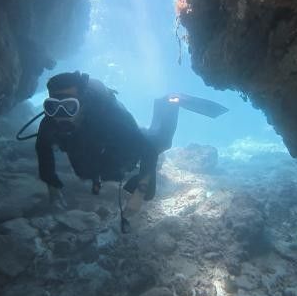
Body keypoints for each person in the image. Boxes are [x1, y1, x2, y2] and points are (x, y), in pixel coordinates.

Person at [34, 71, 227, 232]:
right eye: (52, 107)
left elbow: (149, 151)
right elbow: (42, 148)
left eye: (69, 107)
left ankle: (169, 102)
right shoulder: (50, 122)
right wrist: (52, 184)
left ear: (83, 104)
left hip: (125, 139)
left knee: (160, 142)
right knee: (85, 171)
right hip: (101, 145)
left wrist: (139, 194)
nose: (60, 116)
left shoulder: (111, 117)